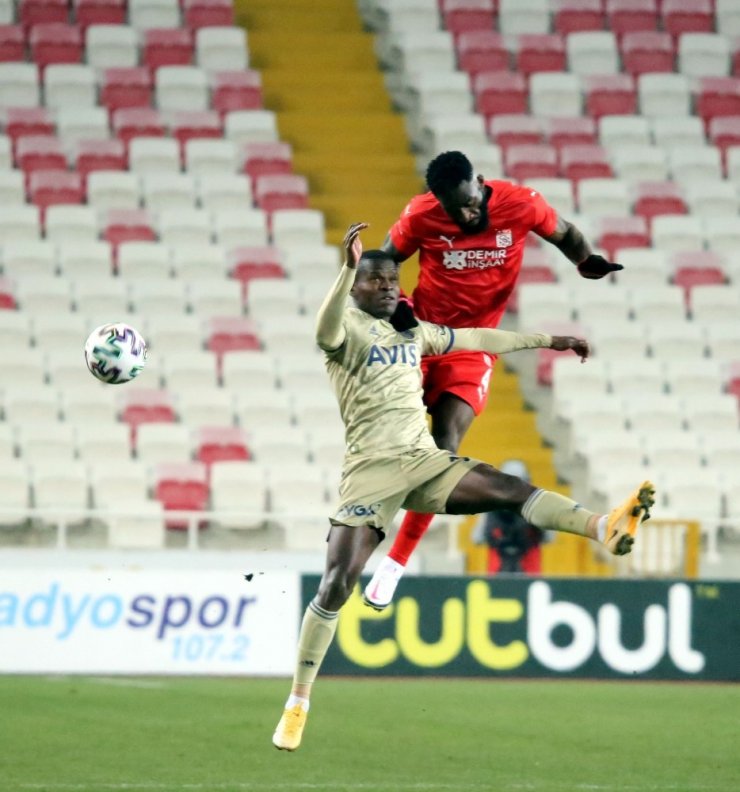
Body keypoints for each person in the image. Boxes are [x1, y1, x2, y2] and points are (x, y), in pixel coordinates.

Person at [272, 223, 654, 752]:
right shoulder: (345, 333)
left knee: (508, 488)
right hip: (370, 473)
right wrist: (343, 270)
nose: (386, 287)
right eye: (374, 279)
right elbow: (322, 330)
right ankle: (298, 702)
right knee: (337, 583)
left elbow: (478, 338)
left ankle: (602, 526)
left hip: (424, 463)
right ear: (357, 287)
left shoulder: (414, 332)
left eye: (391, 279)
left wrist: (549, 340)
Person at [363, 150, 626, 610]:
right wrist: (399, 302)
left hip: (473, 347)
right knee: (397, 447)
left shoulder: (519, 203)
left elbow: (565, 232)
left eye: (468, 203)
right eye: (452, 208)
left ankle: (394, 564)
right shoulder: (421, 214)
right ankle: (363, 529)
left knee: (443, 448)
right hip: (420, 339)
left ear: (480, 184)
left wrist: (586, 262)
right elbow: (385, 259)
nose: (464, 214)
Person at [472, 459, 550, 574]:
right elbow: (477, 538)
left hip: (528, 570)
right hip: (499, 570)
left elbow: (548, 537)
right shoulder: (490, 506)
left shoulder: (537, 507)